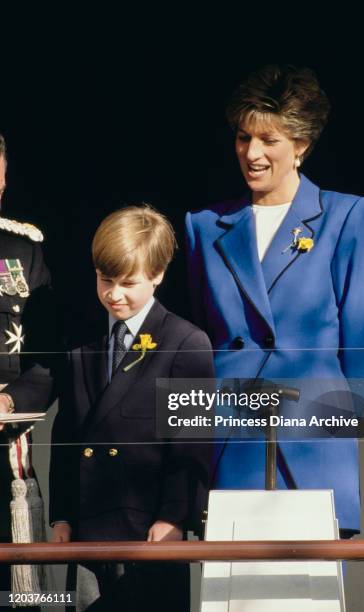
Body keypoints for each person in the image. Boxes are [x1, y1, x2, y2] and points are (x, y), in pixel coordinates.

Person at [185, 64, 364, 535]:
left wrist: (328, 428)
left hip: (312, 446)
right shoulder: (203, 225)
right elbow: (201, 336)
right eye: (242, 137)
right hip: (231, 439)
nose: (251, 152)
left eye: (268, 140)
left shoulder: (348, 217)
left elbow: (362, 341)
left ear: (301, 146)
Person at [49, 205, 214, 612]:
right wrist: (62, 515)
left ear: (157, 275)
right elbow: (67, 432)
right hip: (87, 526)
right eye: (105, 280)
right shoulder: (82, 339)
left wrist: (175, 518)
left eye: (128, 282)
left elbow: (191, 445)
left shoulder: (185, 342)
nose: (114, 294)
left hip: (148, 531)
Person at [0, 133, 58, 595]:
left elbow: (49, 351)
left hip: (7, 443)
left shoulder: (25, 249)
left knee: (15, 592)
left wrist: (10, 399)